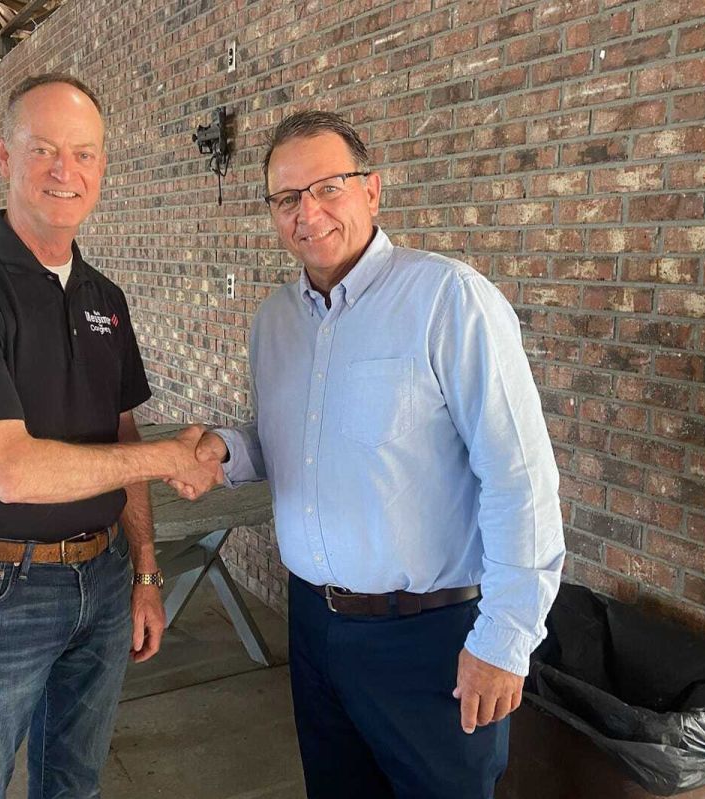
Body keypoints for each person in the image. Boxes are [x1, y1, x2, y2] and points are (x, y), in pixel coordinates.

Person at [173, 111, 566, 799]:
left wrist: (505, 638)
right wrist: (224, 450)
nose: (309, 213)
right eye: (288, 198)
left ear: (372, 190)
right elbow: (289, 441)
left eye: (328, 188)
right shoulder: (275, 321)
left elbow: (519, 477)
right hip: (316, 629)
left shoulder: (448, 299)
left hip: (431, 639)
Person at [0, 73, 219, 799]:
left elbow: (119, 435)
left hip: (101, 581)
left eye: (83, 153)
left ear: (102, 167)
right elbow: (11, 470)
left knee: (73, 780)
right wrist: (174, 456)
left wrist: (143, 570)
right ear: (4, 159)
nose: (64, 171)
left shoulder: (106, 298)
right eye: (42, 149)